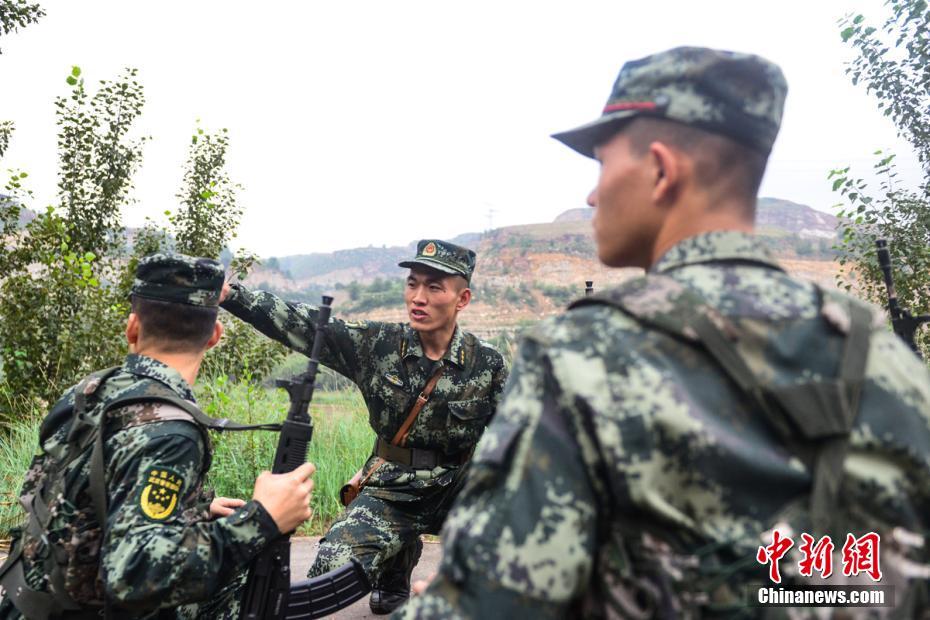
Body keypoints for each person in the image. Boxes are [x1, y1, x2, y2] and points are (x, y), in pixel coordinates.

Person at [398, 47, 930, 618]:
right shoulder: (876, 349)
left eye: (602, 165)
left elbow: (494, 604)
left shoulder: (583, 354)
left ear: (660, 170)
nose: (592, 195)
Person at [0, 254, 316, 619]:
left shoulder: (90, 391)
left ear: (132, 328)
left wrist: (195, 510)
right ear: (215, 336)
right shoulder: (170, 432)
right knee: (245, 587)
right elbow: (134, 577)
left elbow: (81, 500)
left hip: (25, 602)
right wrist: (262, 519)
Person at [220, 239, 508, 614]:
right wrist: (232, 295)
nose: (418, 297)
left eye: (434, 287)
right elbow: (306, 325)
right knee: (330, 567)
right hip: (392, 489)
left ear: (462, 299)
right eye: (412, 284)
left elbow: (516, 438)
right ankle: (396, 564)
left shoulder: (487, 363)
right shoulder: (377, 345)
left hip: (458, 486)